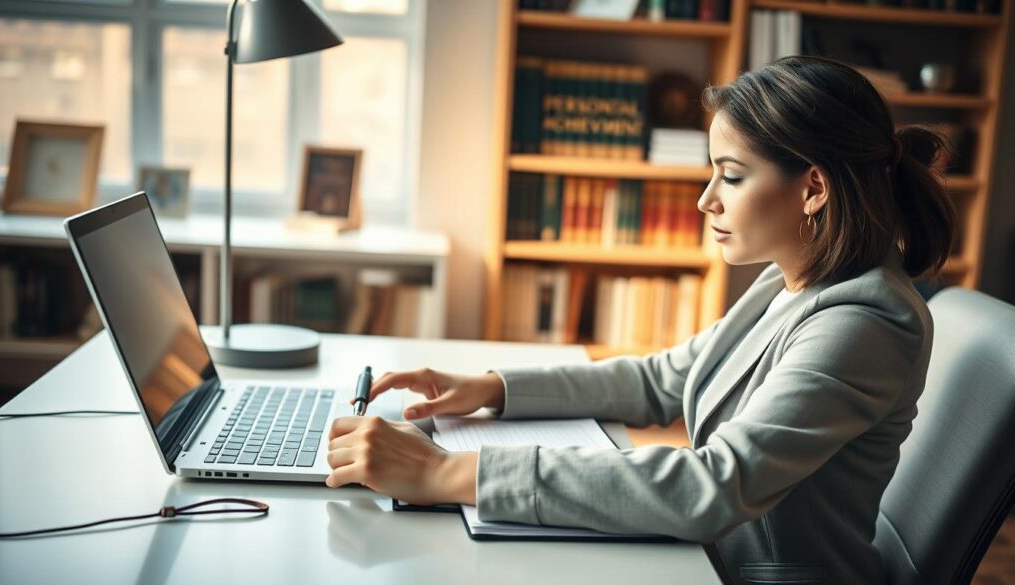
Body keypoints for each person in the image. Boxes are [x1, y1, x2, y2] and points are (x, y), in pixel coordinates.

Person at [325, 55, 956, 585]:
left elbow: (717, 484)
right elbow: (667, 379)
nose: (707, 198)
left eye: (731, 176)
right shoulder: (793, 278)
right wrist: (494, 387)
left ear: (813, 188)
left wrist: (445, 472)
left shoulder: (867, 321)